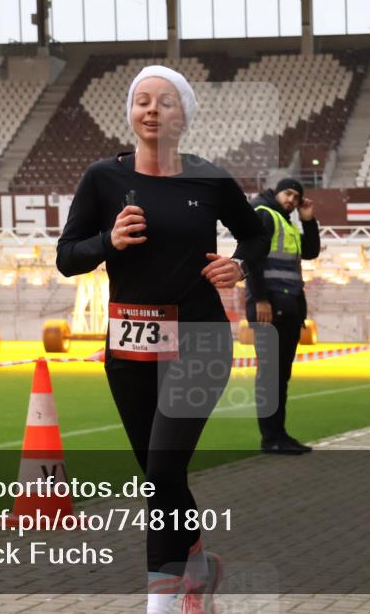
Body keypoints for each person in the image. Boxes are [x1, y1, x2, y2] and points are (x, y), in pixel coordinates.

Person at [56, 65, 269, 613]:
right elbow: (67, 256)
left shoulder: (211, 180)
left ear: (184, 116)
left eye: (165, 102)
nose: (151, 109)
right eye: (142, 100)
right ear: (130, 112)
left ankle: (161, 602)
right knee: (159, 478)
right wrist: (109, 240)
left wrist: (239, 266)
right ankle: (197, 566)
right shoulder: (102, 178)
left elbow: (256, 231)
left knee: (161, 472)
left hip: (200, 341)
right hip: (129, 346)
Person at [244, 177, 320, 455]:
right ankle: (271, 438)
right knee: (270, 376)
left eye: (296, 198)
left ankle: (279, 434)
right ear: (276, 192)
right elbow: (250, 258)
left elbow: (310, 252)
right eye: (288, 193)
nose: (291, 200)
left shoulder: (286, 221)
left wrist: (308, 220)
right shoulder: (263, 214)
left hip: (287, 308)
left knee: (279, 376)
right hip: (269, 308)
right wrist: (261, 299)